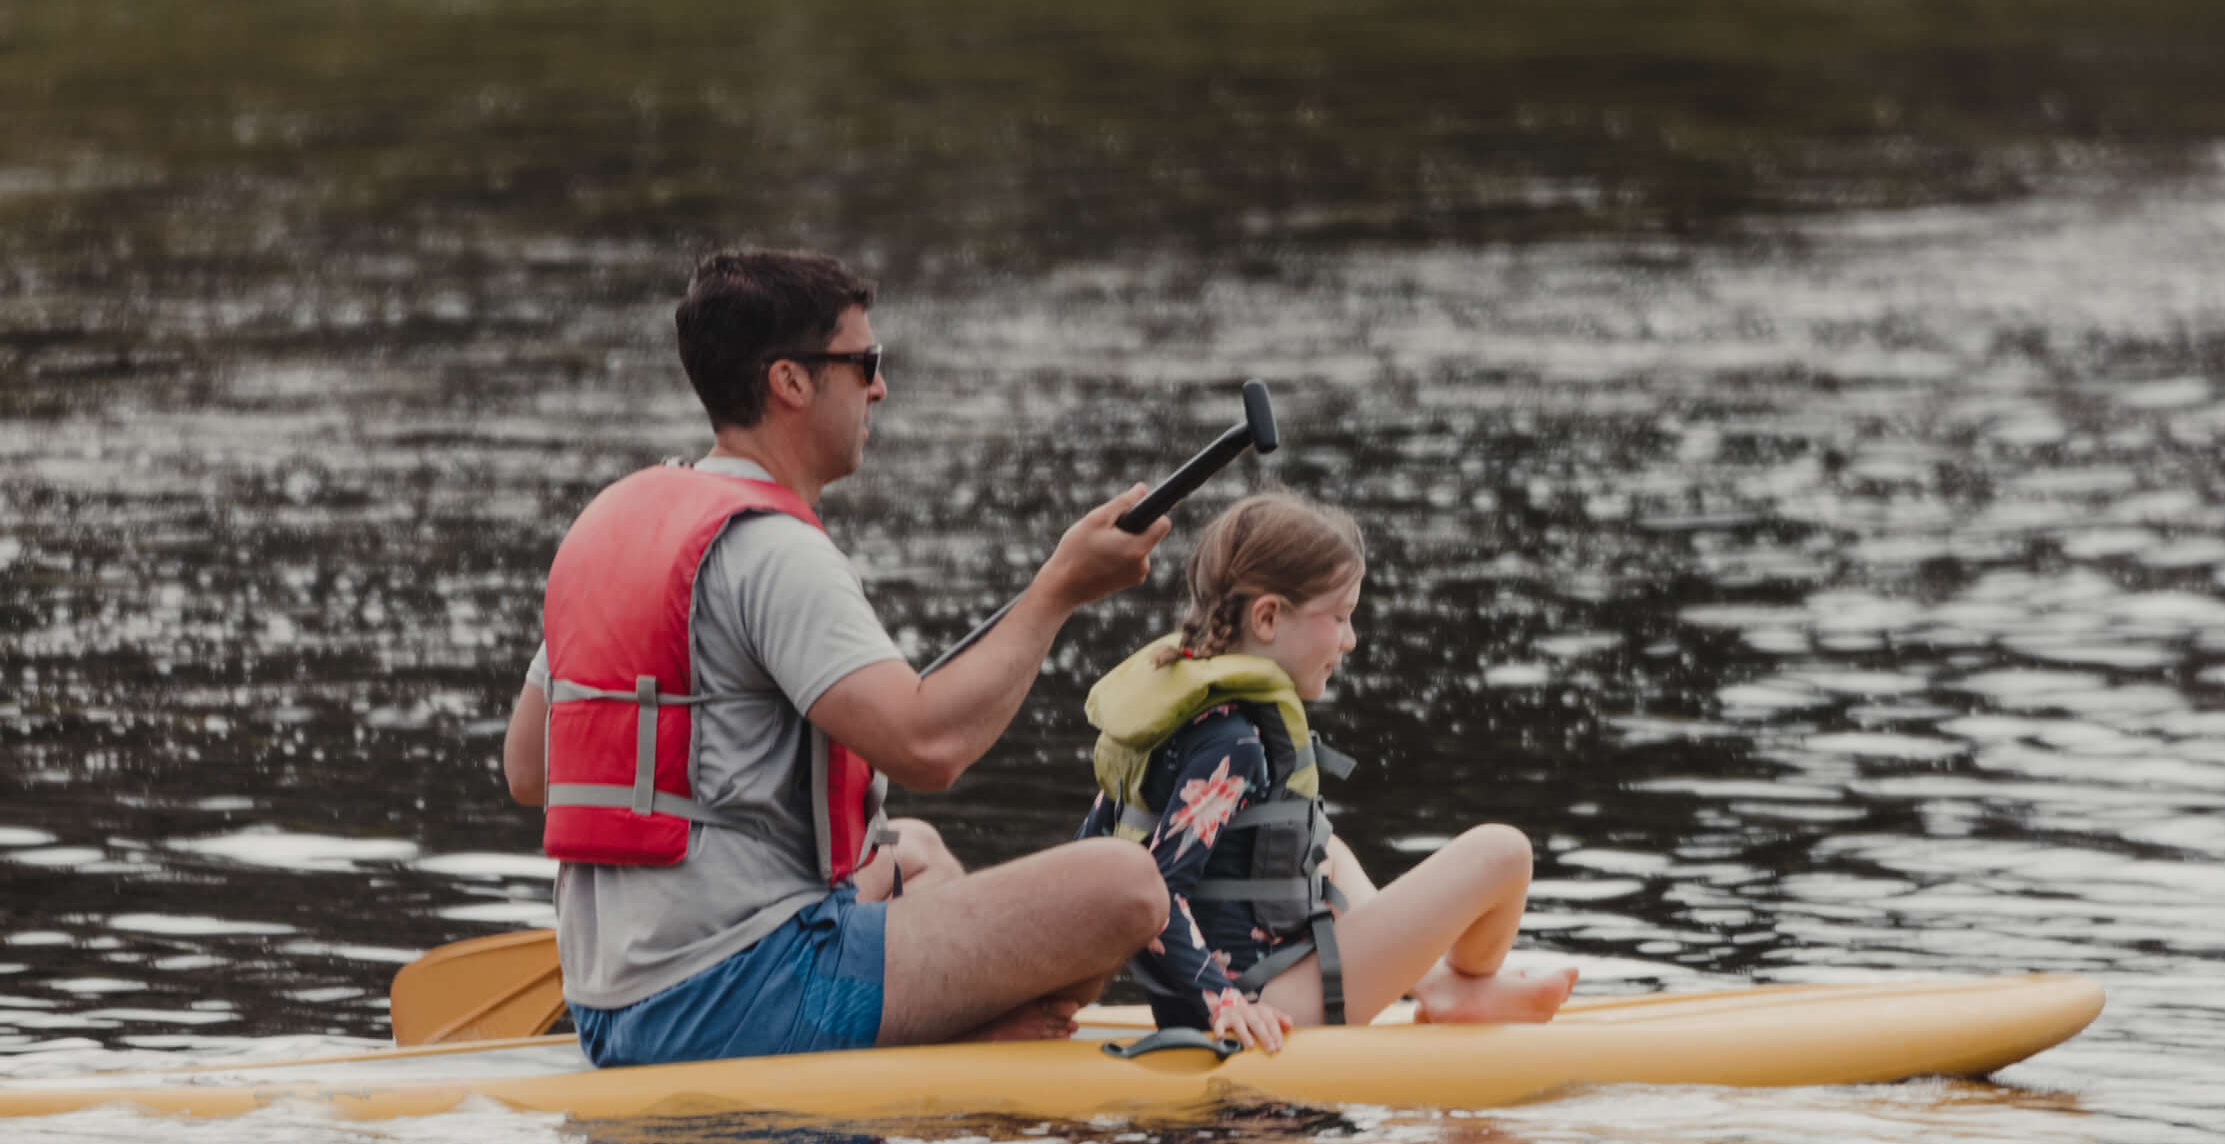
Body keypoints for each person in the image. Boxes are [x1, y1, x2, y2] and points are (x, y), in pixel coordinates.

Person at [503, 248, 1170, 1066]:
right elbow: (929, 745)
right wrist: (1059, 590)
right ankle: (966, 1045)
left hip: (609, 1003)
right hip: (739, 999)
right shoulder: (776, 550)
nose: (878, 387)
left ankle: (963, 1034)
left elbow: (528, 768)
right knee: (1128, 883)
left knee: (915, 850)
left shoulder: (617, 527)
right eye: (865, 362)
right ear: (790, 381)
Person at [1078, 493, 1574, 1052]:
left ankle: (1440, 986)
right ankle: (1468, 989)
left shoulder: (1175, 711)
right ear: (1268, 617)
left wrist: (1059, 993)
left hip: (1235, 987)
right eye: (1339, 616)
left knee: (1321, 844)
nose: (1350, 639)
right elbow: (1156, 891)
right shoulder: (1234, 744)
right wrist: (1225, 1002)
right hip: (1268, 1007)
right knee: (1503, 852)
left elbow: (1091, 852)